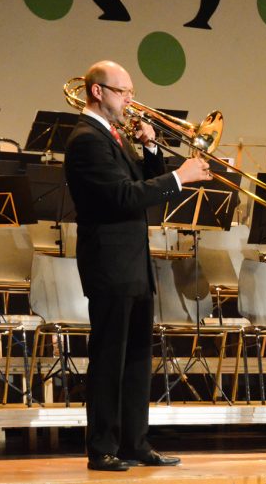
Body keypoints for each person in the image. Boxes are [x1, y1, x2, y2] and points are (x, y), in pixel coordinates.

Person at [64, 60, 212, 471]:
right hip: (110, 263)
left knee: (136, 359)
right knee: (110, 359)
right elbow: (124, 197)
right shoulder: (86, 139)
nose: (132, 100)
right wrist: (180, 176)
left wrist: (150, 149)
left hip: (132, 263)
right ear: (98, 92)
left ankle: (134, 442)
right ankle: (102, 447)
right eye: (124, 92)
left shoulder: (114, 136)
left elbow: (145, 186)